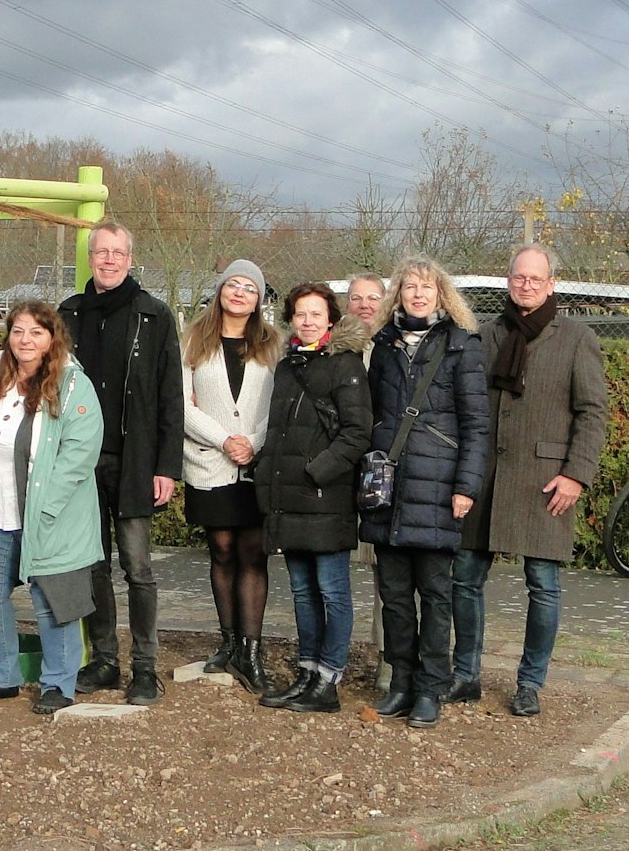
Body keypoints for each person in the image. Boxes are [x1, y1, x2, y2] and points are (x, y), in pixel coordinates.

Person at [453, 243, 608, 718]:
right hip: (486, 477)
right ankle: (465, 674)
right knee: (464, 578)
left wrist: (576, 476)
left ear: (551, 284)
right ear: (508, 280)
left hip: (546, 481)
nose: (526, 285)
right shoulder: (484, 335)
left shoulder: (576, 338)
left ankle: (530, 683)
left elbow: (592, 412)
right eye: (519, 277)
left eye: (536, 279)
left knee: (543, 585)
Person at [0, 301, 104, 715]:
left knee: (55, 603)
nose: (25, 340)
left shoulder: (72, 385)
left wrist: (46, 505)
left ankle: (58, 684)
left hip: (50, 518)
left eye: (36, 331)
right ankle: (0, 677)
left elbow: (80, 452)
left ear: (52, 337)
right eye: (18, 330)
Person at [58, 221, 183, 706]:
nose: (109, 260)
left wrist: (166, 466)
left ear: (130, 259)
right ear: (90, 258)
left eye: (118, 252)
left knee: (137, 566)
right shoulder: (68, 314)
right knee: (92, 565)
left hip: (134, 461)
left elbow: (170, 394)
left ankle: (145, 667)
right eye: (101, 252)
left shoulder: (153, 315)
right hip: (81, 463)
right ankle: (106, 660)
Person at [363, 257, 490, 729]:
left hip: (439, 491)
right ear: (398, 294)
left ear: (442, 294)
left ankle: (431, 688)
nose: (419, 294)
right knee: (394, 595)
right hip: (390, 492)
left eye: (428, 287)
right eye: (410, 287)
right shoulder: (384, 346)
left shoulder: (462, 346)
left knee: (435, 595)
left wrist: (465, 487)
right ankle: (401, 682)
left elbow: (477, 426)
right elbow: (374, 413)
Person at [253, 283, 371, 714]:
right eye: (300, 314)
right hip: (289, 497)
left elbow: (357, 432)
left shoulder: (345, 365)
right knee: (302, 591)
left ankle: (329, 678)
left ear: (330, 319)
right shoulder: (287, 366)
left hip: (326, 496)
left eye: (315, 314)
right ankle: (307, 670)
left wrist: (316, 470)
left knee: (333, 591)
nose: (307, 321)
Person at [179, 260, 279, 694]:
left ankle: (251, 653)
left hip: (257, 464)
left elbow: (282, 401)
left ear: (259, 299)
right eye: (233, 285)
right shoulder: (194, 341)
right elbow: (181, 402)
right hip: (208, 460)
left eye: (249, 288)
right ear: (220, 290)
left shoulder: (272, 343)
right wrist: (225, 440)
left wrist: (251, 444)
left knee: (253, 552)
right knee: (221, 550)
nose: (240, 293)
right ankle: (228, 642)